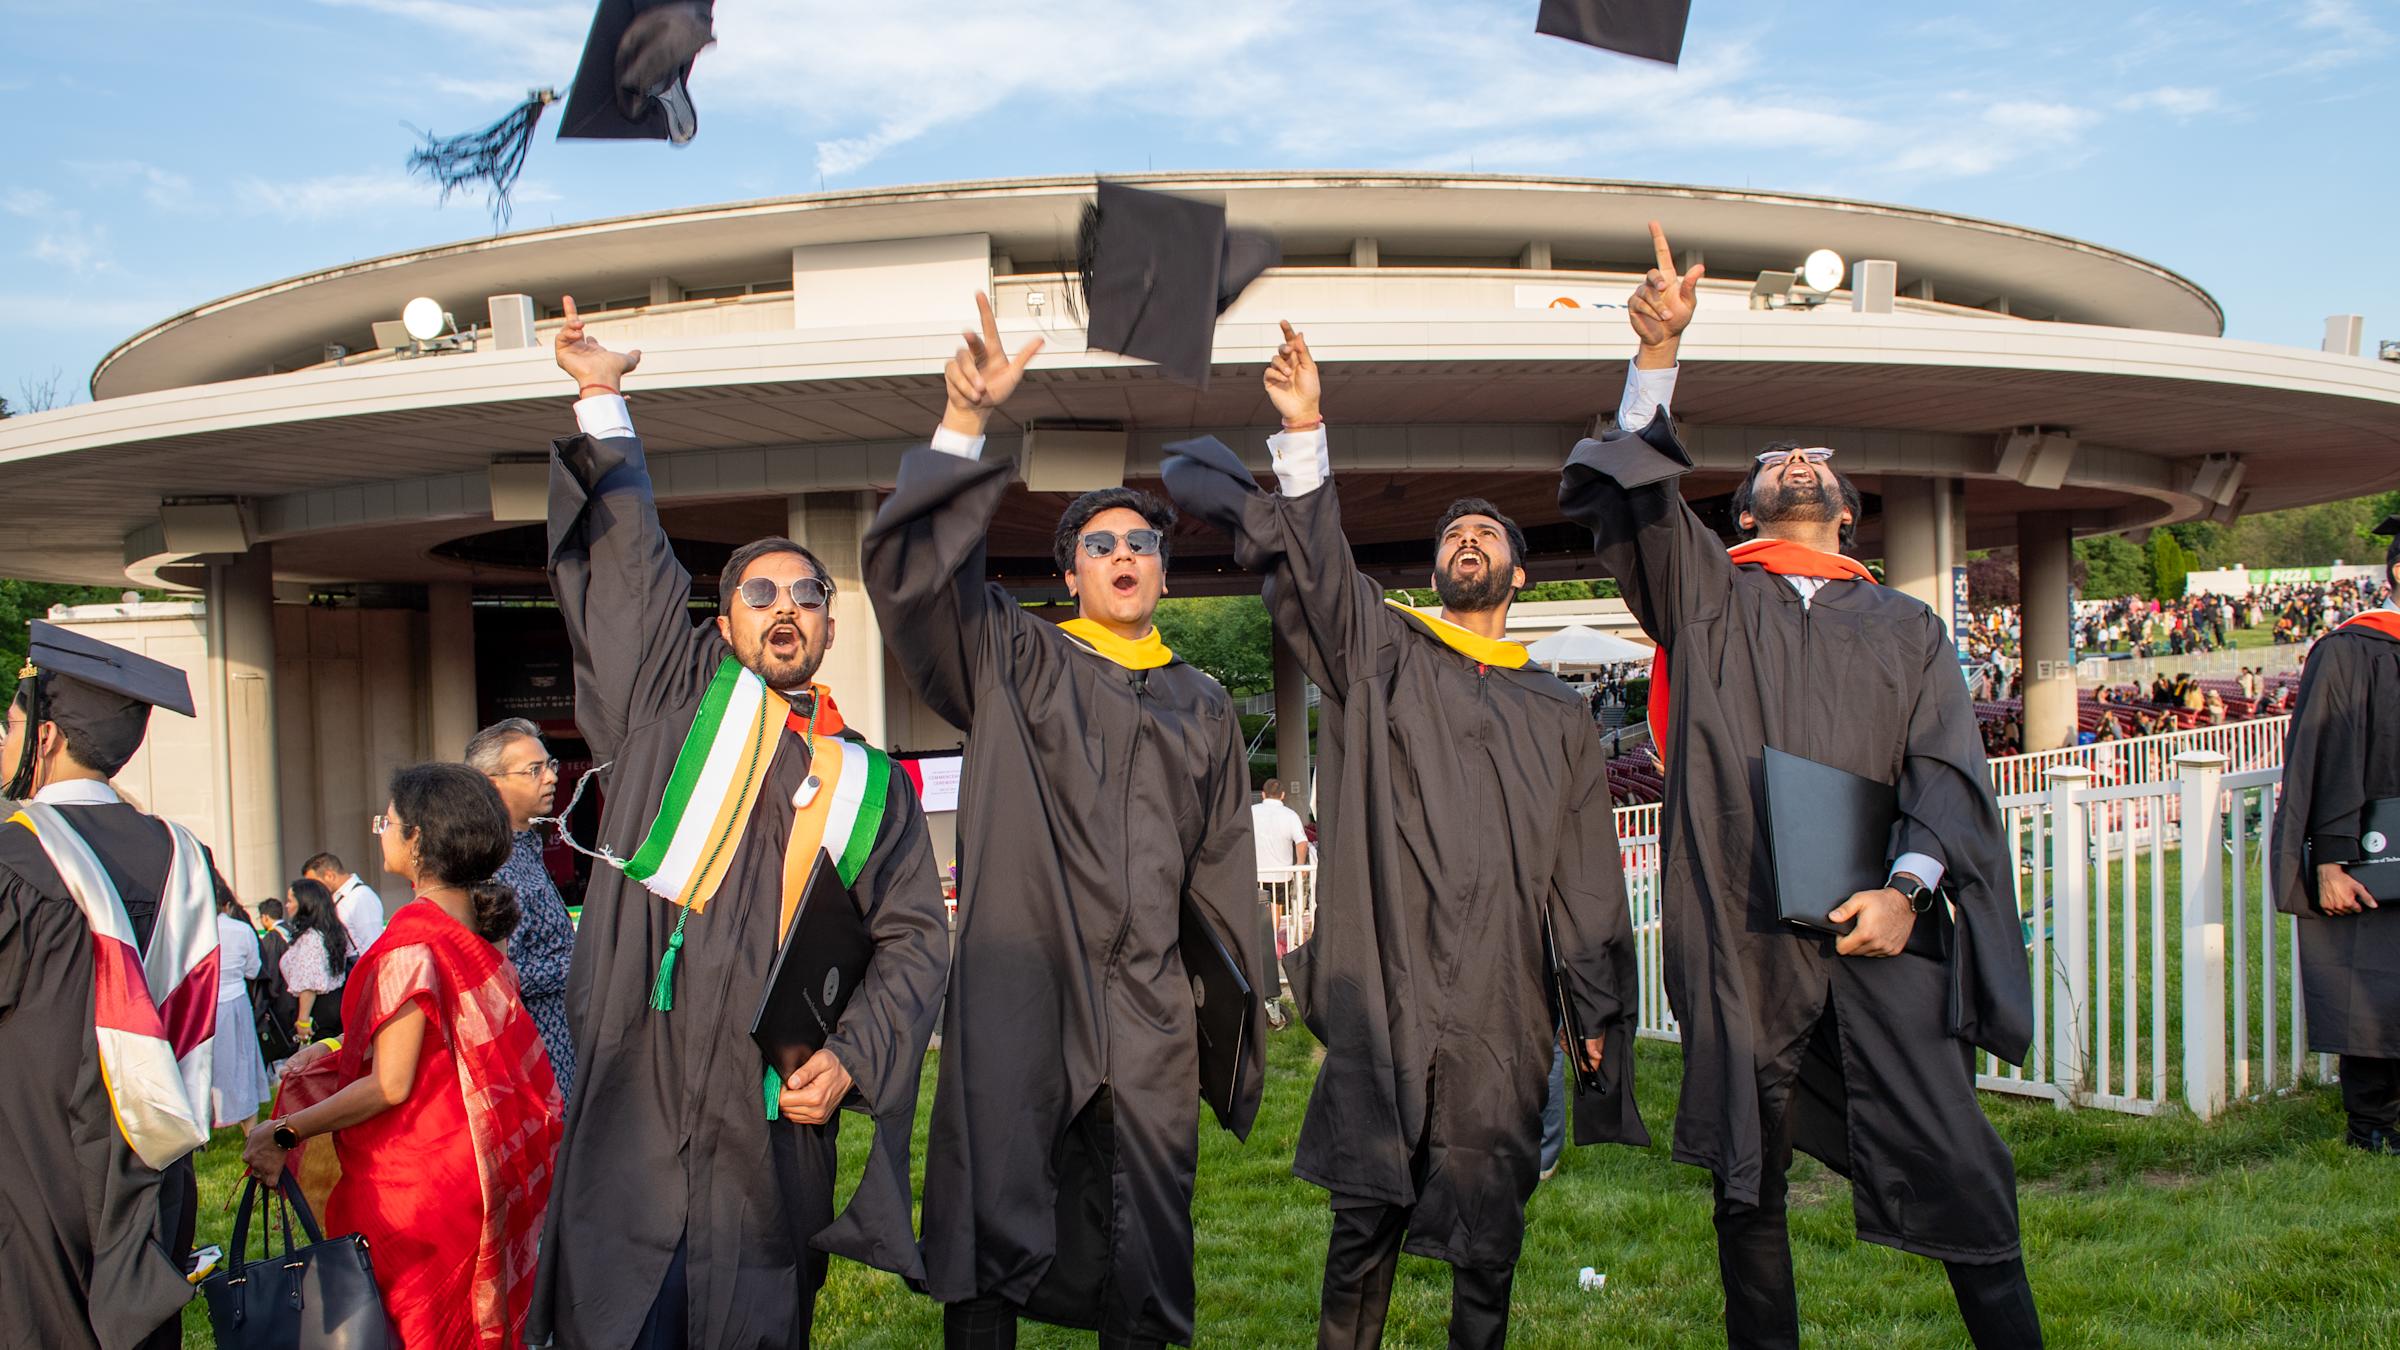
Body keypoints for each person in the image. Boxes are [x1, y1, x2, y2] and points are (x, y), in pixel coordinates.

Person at [1557, 223, 2040, 1348]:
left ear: (1847, 509)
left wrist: (1909, 890)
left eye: (1815, 462)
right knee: (1749, 1180)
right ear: (1747, 510)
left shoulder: (1906, 625)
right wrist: (1659, 359)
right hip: (1741, 929)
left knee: (1961, 1160)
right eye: (1774, 461)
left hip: (1880, 929)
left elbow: (1947, 777)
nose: (1797, 460)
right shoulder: (1711, 598)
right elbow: (1632, 501)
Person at [1165, 320, 1646, 1350]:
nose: (1467, 541)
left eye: (1489, 537)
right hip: (1388, 985)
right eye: (1451, 538)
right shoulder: (1386, 659)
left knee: (1489, 1238)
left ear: (1520, 577)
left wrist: (1596, 1002)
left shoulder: (1559, 712)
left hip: (1502, 1001)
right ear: (1435, 576)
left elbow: (1585, 875)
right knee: (1363, 1225)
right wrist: (1304, 433)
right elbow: (1327, 583)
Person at [530, 298, 951, 1350]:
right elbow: (629, 573)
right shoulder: (674, 707)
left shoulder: (870, 785)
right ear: (723, 626)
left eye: (804, 593)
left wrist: (852, 1055)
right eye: (756, 592)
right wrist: (601, 399)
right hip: (639, 1090)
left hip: (770, 1126)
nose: (782, 607)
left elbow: (912, 941)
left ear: (828, 621)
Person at [864, 294, 1265, 1349]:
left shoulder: (1203, 700)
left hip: (1146, 1010)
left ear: (1164, 569)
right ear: (1071, 573)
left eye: (1141, 541)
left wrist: (1223, 1013)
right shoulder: (1014, 658)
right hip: (1021, 986)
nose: (1125, 554)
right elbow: (915, 585)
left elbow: (1222, 869)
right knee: (993, 1229)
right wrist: (962, 429)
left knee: (1147, 1249)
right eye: (1101, 544)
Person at [243, 762, 565, 1349]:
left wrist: (284, 1131)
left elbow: (390, 1084)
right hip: (476, 1171)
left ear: (418, 838)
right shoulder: (478, 936)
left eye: (387, 821)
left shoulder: (412, 941)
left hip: (415, 1187)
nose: (381, 831)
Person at [0, 621, 230, 1350]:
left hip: (31, 1160)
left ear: (45, 738)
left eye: (9, 725)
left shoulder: (15, 858)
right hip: (149, 1158)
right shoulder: (183, 857)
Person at [2270, 521, 2400, 1152]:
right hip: (2373, 849)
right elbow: (2327, 754)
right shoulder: (2353, 649)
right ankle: (2373, 1126)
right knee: (2370, 977)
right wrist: (2331, 858)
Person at [467, 716, 578, 1094]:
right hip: (530, 1062)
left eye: (550, 765)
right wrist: (582, 963)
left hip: (561, 1048)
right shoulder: (491, 867)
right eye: (534, 770)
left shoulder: (525, 849)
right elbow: (499, 976)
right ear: (490, 783)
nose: (550, 778)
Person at [1251, 777, 1310, 1023]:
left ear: (1263, 794)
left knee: (1255, 911)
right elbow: (1302, 842)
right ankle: (1272, 947)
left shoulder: (1251, 812)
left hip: (1255, 873)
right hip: (1282, 874)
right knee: (1276, 908)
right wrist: (1299, 866)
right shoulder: (1289, 815)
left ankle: (1257, 946)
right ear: (1283, 795)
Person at [213, 892, 271, 1127]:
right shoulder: (240, 930)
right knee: (242, 1063)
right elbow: (253, 969)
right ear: (227, 906)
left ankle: (203, 1133)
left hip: (204, 1003)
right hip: (235, 998)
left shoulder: (188, 928)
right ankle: (249, 1128)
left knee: (202, 1063)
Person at [281, 875, 352, 1043]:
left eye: (291, 900)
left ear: (305, 904)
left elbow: (309, 983)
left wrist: (303, 1019)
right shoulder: (332, 932)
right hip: (335, 1003)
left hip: (317, 1009)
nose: (287, 905)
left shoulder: (310, 937)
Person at [303, 849, 387, 958]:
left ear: (329, 876)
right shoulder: (341, 899)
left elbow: (372, 943)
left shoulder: (360, 896)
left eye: (315, 884)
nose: (314, 890)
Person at [252, 894, 300, 1065]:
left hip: (282, 998)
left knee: (282, 1043)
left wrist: (265, 1001)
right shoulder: (292, 930)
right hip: (299, 993)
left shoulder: (272, 938)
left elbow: (271, 972)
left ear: (265, 917)